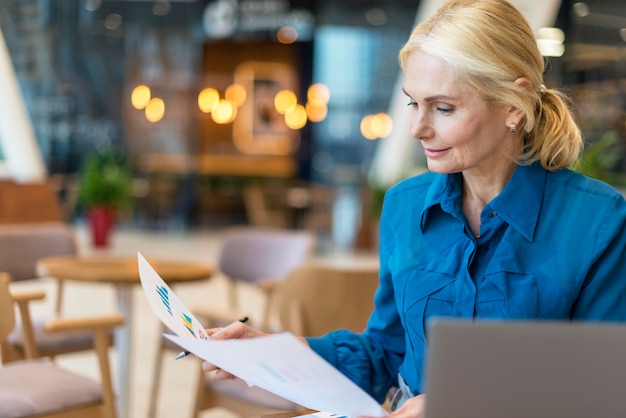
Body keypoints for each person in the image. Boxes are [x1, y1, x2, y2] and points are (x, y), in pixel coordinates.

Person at [202, 0, 626, 416]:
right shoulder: (405, 206)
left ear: (514, 106)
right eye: (412, 103)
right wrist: (277, 352)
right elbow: (386, 352)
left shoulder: (597, 221)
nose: (417, 128)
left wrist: (465, 403)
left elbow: (606, 383)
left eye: (443, 108)